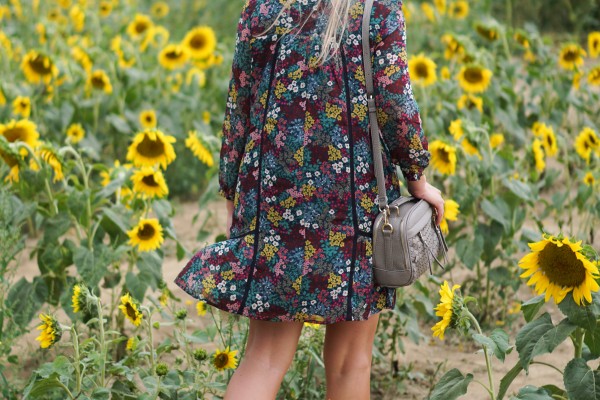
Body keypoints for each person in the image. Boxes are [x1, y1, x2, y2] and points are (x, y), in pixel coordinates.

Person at [174, 0, 445, 398]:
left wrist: (232, 188)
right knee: (350, 362)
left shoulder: (264, 7)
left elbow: (240, 104)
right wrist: (417, 177)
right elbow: (394, 102)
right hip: (354, 200)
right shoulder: (375, 8)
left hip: (272, 197)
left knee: (264, 358)